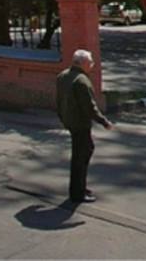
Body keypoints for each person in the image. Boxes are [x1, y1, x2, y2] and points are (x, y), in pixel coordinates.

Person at [55, 49, 112, 203]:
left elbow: (58, 101)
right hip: (80, 123)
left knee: (84, 152)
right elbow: (89, 107)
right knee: (81, 157)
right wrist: (104, 122)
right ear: (83, 63)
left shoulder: (63, 75)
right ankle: (77, 193)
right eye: (90, 62)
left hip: (70, 121)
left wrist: (62, 118)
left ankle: (80, 187)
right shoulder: (81, 81)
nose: (92, 64)